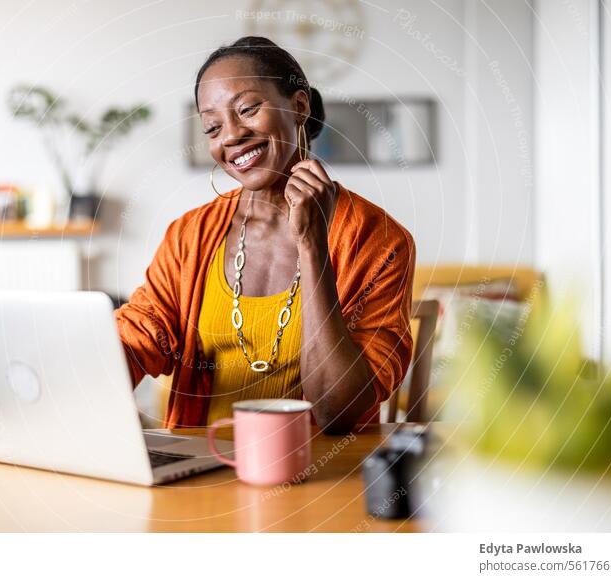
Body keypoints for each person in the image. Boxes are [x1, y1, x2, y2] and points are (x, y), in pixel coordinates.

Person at [115, 36, 415, 433]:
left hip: (323, 475)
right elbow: (138, 339)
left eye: (248, 109)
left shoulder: (380, 240)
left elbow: (336, 411)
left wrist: (313, 246)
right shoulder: (190, 235)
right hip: (204, 469)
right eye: (212, 127)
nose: (231, 136)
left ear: (299, 106)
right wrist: (65, 372)